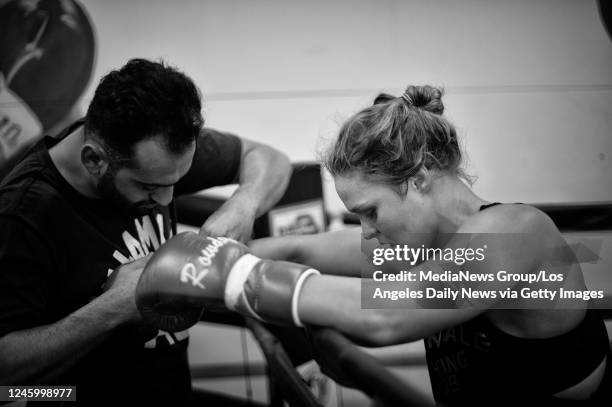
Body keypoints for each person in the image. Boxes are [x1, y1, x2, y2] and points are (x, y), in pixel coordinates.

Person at [136, 85, 611, 406]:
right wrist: (191, 256)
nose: (365, 231)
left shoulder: (515, 236)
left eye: (371, 211)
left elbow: (384, 316)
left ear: (421, 177)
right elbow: (300, 253)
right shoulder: (416, 247)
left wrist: (228, 276)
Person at [0, 58, 291, 406]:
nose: (166, 199)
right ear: (95, 161)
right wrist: (112, 309)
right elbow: (6, 379)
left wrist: (244, 205)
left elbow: (272, 160)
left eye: (176, 181)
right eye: (149, 187)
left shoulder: (160, 149)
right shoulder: (23, 214)